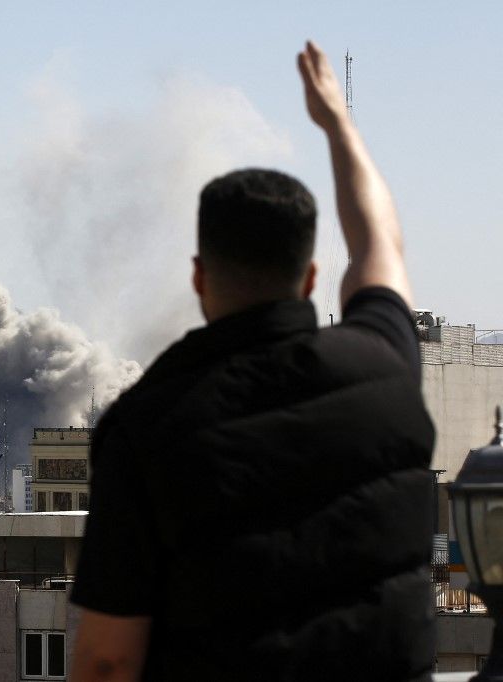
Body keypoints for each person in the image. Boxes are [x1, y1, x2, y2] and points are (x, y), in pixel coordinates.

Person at [69, 41, 435, 681]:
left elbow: (105, 661)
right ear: (310, 276)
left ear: (199, 277)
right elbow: (381, 242)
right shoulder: (386, 371)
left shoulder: (146, 428)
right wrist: (337, 124)